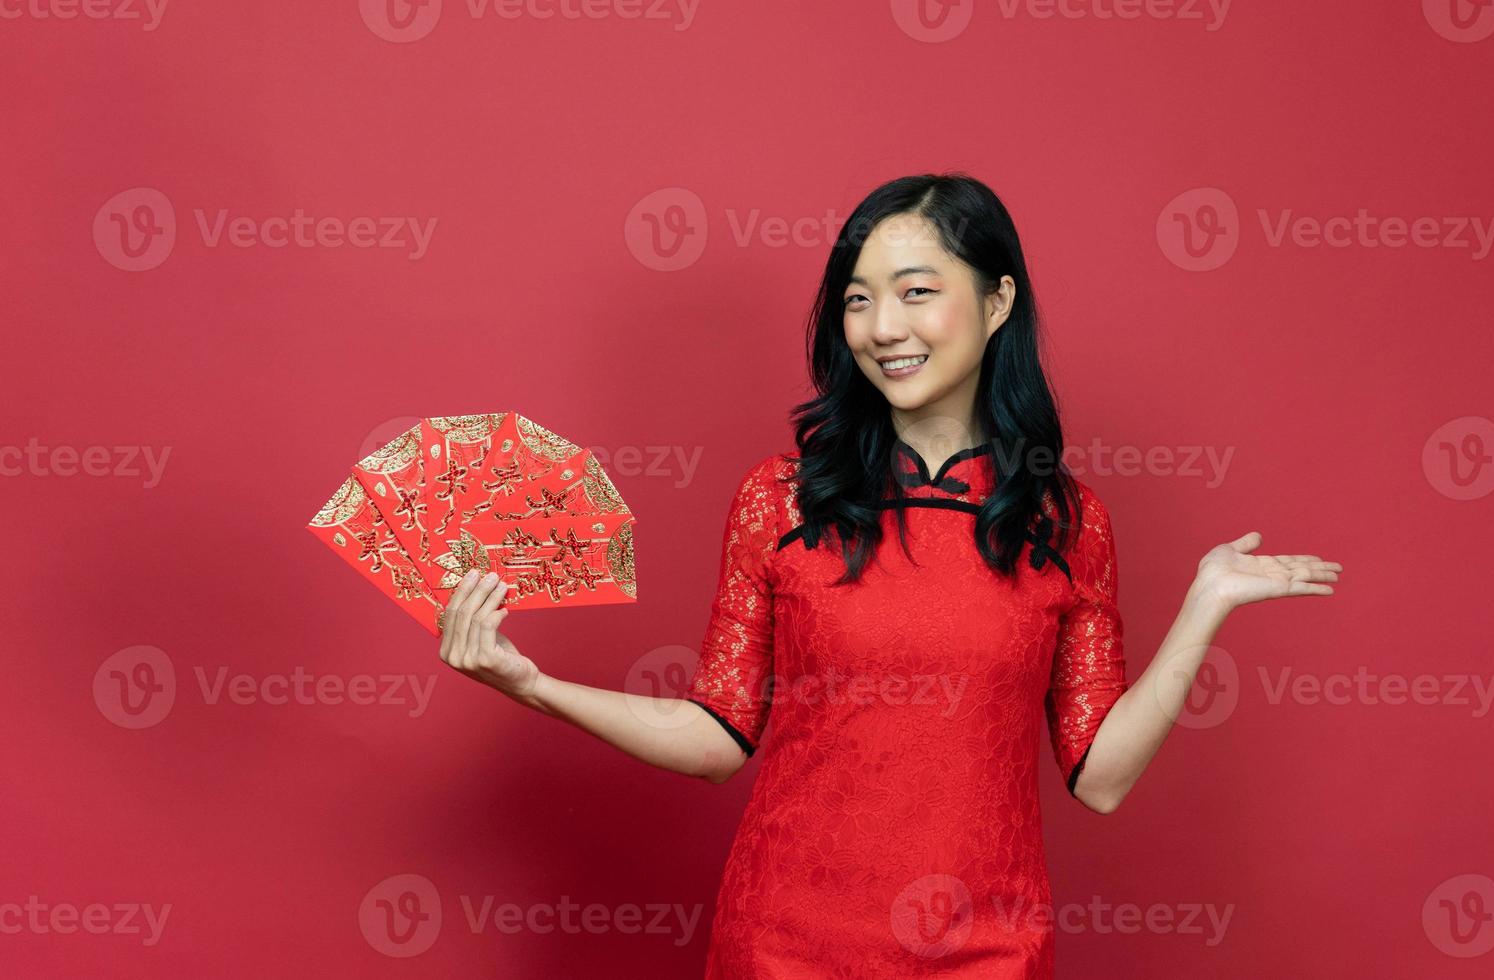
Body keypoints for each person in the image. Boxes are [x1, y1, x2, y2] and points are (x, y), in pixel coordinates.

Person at [435, 173, 1343, 978]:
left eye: (916, 293)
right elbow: (716, 736)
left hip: (988, 949)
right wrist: (532, 684)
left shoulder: (1066, 522)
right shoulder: (780, 501)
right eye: (859, 300)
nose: (884, 328)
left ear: (996, 303)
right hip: (787, 945)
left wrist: (1205, 607)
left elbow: (1100, 775)